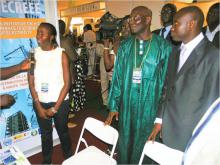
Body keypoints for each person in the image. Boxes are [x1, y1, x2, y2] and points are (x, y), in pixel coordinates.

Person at [104, 6, 172, 164]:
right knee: (126, 143)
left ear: (148, 20)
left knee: (145, 147)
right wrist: (114, 106)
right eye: (130, 18)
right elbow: (118, 78)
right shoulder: (125, 46)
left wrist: (160, 119)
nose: (131, 22)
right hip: (127, 107)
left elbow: (167, 86)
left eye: (137, 18)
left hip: (150, 108)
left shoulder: (164, 47)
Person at [149, 6, 219, 152]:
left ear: (191, 24)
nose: (172, 28)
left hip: (192, 135)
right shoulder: (175, 52)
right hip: (167, 129)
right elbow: (167, 88)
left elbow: (213, 105)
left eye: (176, 23)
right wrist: (159, 120)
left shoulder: (213, 56)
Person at [28, 22, 73, 164]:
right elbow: (31, 82)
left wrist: (55, 108)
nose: (38, 35)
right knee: (46, 135)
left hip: (60, 102)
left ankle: (69, 158)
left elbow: (67, 84)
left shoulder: (62, 54)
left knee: (63, 132)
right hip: (40, 102)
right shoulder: (33, 54)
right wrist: (39, 106)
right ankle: (47, 161)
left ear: (52, 36)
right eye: (37, 32)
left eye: (42, 33)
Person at [58, 19, 78, 128]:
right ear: (63, 28)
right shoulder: (65, 40)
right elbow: (74, 57)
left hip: (58, 72)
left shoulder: (55, 39)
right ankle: (64, 120)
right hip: (67, 71)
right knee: (67, 95)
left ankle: (66, 115)